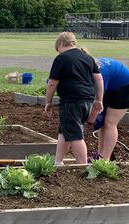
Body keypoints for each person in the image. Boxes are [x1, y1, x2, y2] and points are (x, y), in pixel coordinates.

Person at [45, 32, 103, 166]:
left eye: (57, 49)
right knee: (65, 131)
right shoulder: (88, 57)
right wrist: (99, 99)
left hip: (72, 101)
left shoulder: (61, 58)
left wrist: (48, 101)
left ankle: (83, 166)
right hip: (87, 101)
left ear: (61, 44)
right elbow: (99, 79)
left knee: (76, 136)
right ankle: (58, 162)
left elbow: (52, 83)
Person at [86, 55, 129, 161]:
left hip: (126, 87)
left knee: (110, 122)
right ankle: (100, 155)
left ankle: (105, 159)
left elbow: (97, 102)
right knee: (102, 123)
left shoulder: (100, 74)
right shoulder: (90, 68)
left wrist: (90, 121)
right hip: (112, 87)